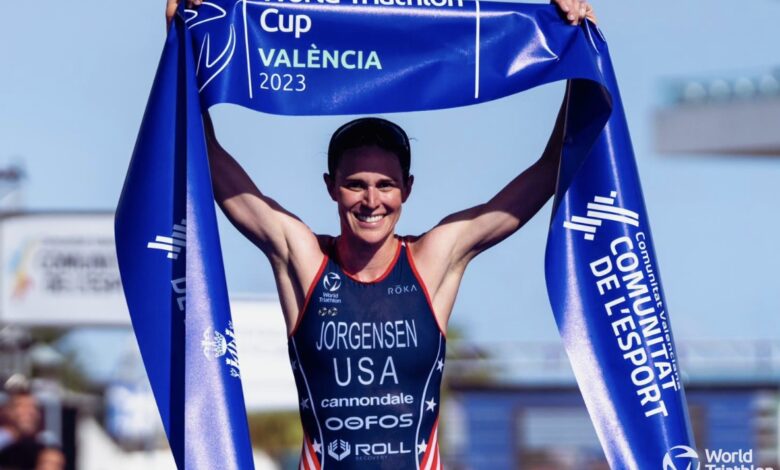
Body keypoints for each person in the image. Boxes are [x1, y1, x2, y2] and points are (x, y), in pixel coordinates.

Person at [167, 1, 596, 468]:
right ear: (331, 186)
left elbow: (550, 168)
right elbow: (204, 154)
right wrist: (183, 41)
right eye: (355, 184)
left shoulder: (433, 260)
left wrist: (576, 54)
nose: (371, 201)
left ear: (406, 189)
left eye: (385, 185)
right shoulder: (304, 258)